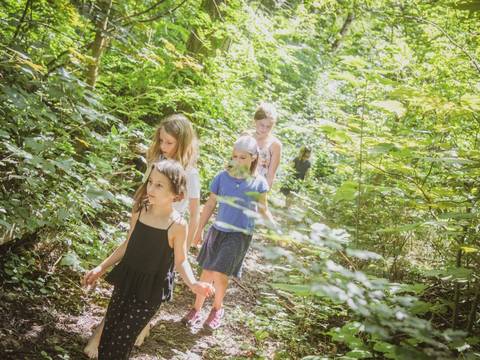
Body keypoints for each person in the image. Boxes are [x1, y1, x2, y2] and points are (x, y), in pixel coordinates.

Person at [82, 160, 214, 359]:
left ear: (175, 194)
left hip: (150, 291)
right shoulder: (140, 211)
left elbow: (181, 261)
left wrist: (194, 283)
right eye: (150, 182)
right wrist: (101, 267)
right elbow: (127, 245)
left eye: (159, 185)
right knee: (108, 336)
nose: (151, 188)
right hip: (126, 282)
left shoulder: (178, 225)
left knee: (121, 342)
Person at [181, 135, 275, 330]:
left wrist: (276, 230)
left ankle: (217, 309)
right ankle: (196, 308)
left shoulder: (259, 183)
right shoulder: (222, 177)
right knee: (206, 272)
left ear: (253, 158)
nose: (237, 161)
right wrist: (199, 230)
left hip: (239, 235)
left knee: (221, 274)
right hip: (217, 231)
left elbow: (264, 209)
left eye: (242, 157)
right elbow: (210, 204)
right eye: (234, 156)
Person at [146, 114, 200, 249]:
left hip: (169, 230)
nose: (163, 146)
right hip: (147, 221)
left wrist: (184, 250)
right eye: (161, 140)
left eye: (169, 142)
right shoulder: (157, 162)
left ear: (182, 143)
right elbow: (143, 192)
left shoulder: (190, 174)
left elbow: (194, 214)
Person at [250, 102, 282, 189]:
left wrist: (263, 196)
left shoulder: (275, 145)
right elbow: (233, 161)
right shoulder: (246, 136)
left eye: (268, 126)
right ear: (255, 120)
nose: (264, 129)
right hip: (236, 181)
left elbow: (271, 175)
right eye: (262, 125)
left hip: (255, 188)